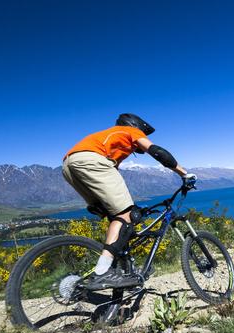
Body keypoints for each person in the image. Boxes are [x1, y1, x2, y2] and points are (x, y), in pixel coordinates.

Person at [62, 113, 195, 289]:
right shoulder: (129, 131)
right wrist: (184, 173)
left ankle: (124, 268)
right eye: (144, 133)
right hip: (91, 161)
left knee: (120, 219)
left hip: (69, 165)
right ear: (135, 126)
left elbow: (111, 174)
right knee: (126, 216)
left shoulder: (108, 140)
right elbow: (157, 152)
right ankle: (102, 272)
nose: (144, 137)